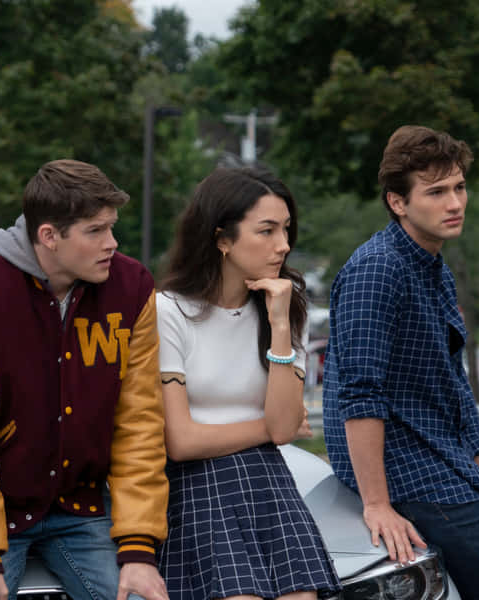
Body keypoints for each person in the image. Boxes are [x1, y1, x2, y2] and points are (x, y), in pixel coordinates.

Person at [0, 159, 169, 600]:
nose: (112, 243)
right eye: (95, 231)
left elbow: (139, 425)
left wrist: (138, 546)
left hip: (84, 507)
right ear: (49, 236)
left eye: (112, 228)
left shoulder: (132, 288)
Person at [322, 126, 479, 599]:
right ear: (398, 202)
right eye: (437, 191)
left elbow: (451, 377)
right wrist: (377, 504)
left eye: (460, 187)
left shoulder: (431, 265)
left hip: (443, 461)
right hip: (410, 471)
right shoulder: (376, 269)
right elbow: (359, 394)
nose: (455, 203)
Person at [155, 167, 341, 600]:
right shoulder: (167, 311)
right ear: (222, 238)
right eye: (267, 231)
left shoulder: (283, 303)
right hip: (197, 484)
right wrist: (274, 430)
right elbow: (180, 441)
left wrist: (279, 323)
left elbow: (282, 426)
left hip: (268, 480)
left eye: (286, 230)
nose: (283, 245)